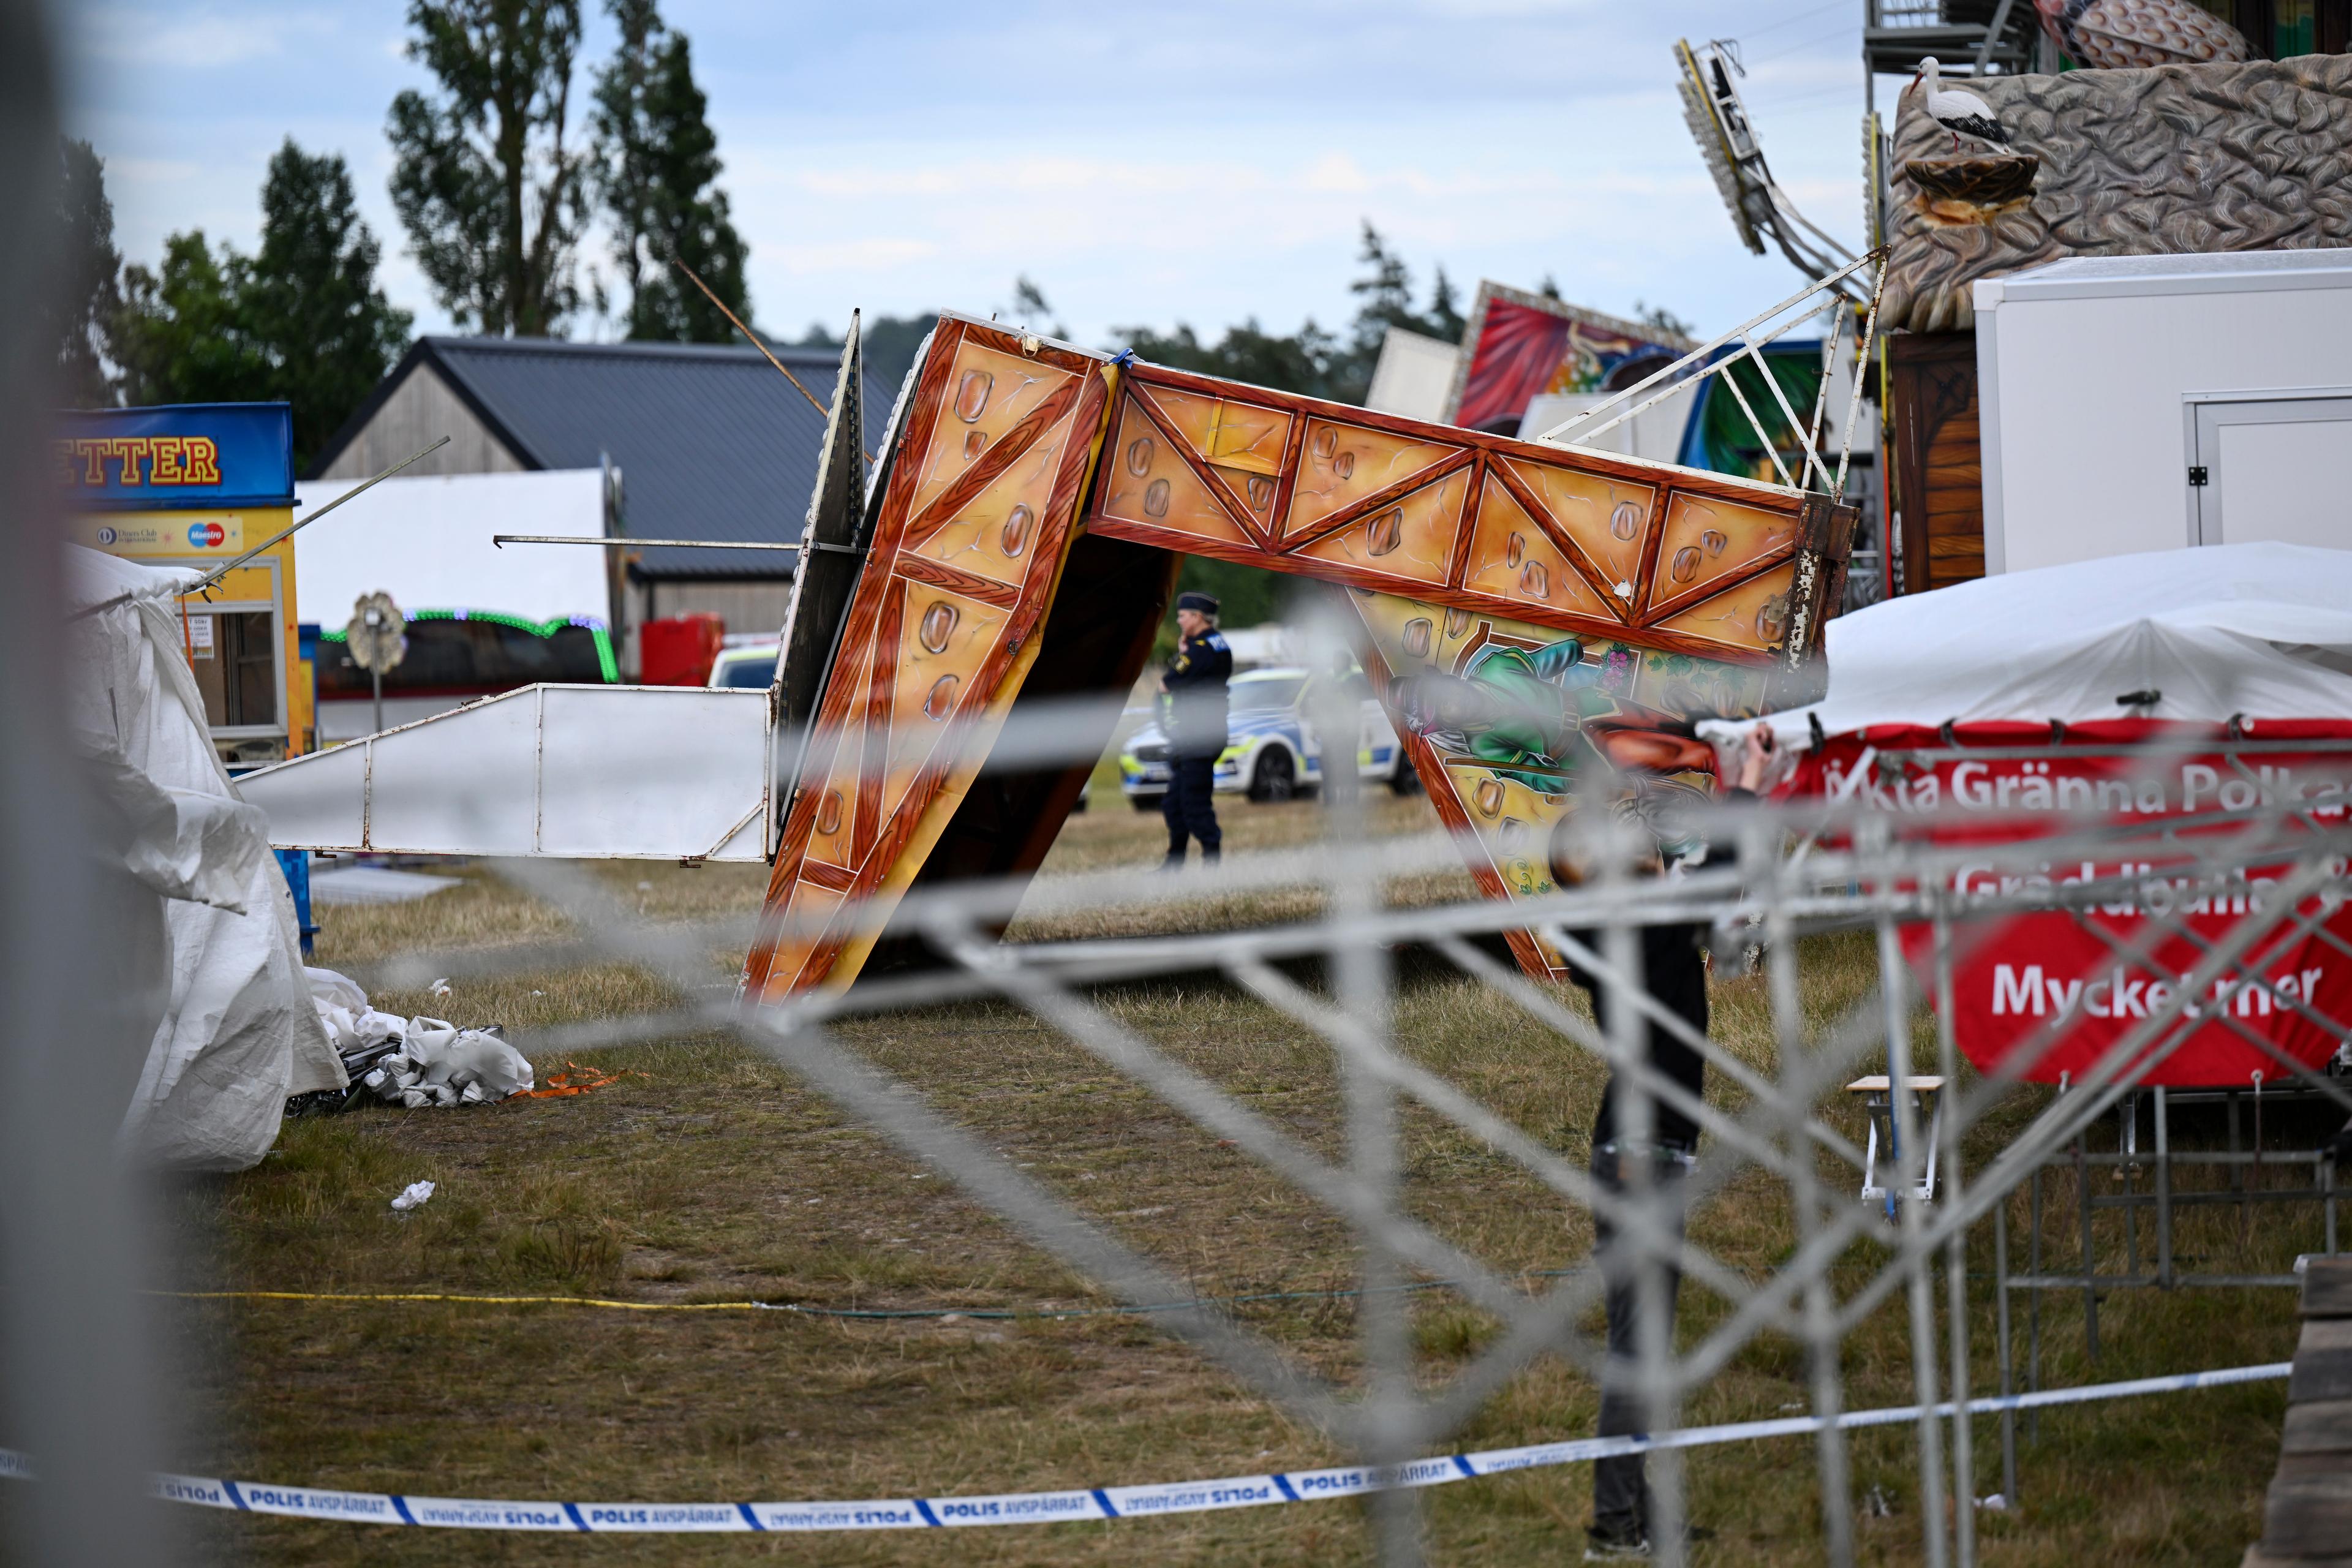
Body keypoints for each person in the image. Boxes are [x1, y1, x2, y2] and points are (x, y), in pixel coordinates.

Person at [1567, 726, 1772, 1561]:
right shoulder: (1644, 928)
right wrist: (1747, 781)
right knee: (1637, 1350)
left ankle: (1638, 1511)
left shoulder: (1607, 933)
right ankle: (1615, 1524)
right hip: (1643, 1162)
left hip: (1639, 1155)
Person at [1158, 590, 1231, 870]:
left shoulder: (1201, 650)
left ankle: (1212, 864)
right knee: (1175, 804)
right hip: (1199, 735)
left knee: (1193, 804)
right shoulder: (1218, 644)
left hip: (1198, 738)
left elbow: (1168, 682)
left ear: (1198, 617)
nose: (1179, 620)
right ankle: (1174, 863)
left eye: (1183, 615)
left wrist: (1182, 653)